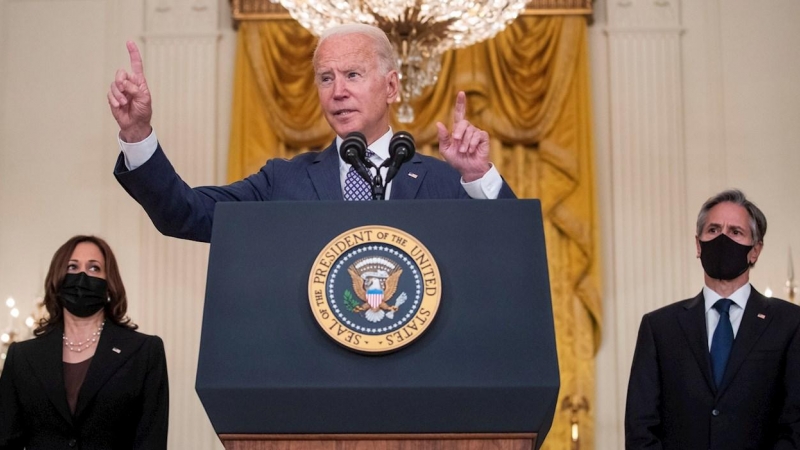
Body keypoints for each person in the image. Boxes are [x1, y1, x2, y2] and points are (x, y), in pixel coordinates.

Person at [107, 23, 516, 243]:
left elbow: (509, 247)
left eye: (353, 75)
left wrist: (479, 177)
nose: (337, 91)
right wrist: (139, 134)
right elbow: (185, 214)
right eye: (325, 78)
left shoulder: (444, 182)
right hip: (313, 380)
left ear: (391, 86)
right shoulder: (282, 182)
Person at [625, 189, 800, 449]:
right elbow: (641, 427)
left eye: (736, 232)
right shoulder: (659, 327)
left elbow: (795, 425)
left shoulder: (789, 322)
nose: (722, 239)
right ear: (698, 244)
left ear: (755, 251)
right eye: (714, 230)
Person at [0, 235, 168, 449]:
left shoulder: (144, 352)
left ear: (109, 284)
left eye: (94, 268)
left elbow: (151, 440)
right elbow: (6, 439)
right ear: (57, 279)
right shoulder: (22, 357)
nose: (82, 276)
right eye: (72, 267)